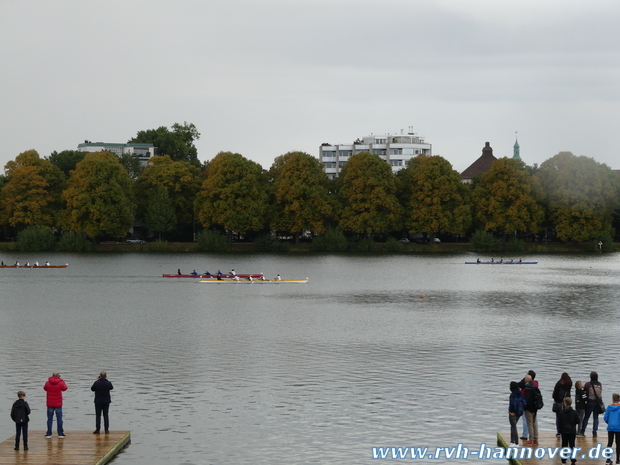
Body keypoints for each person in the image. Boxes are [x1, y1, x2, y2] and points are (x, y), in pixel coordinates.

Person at [44, 372, 68, 438]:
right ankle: (60, 433)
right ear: (58, 376)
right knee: (59, 418)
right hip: (58, 403)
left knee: (49, 419)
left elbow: (45, 388)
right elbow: (65, 388)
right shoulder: (60, 382)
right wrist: (62, 380)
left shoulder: (47, 383)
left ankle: (49, 434)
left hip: (50, 403)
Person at [558, 397, 579, 465]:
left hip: (564, 431)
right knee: (572, 445)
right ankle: (573, 460)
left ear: (565, 404)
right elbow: (578, 421)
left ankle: (563, 460)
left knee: (564, 445)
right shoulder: (574, 412)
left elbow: (559, 422)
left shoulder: (561, 412)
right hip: (572, 431)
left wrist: (559, 430)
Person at [581, 371, 602, 437]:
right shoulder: (599, 384)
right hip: (597, 403)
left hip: (590, 402)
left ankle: (582, 431)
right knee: (595, 418)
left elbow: (584, 393)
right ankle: (594, 432)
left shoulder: (588, 384)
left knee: (586, 417)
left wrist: (584, 400)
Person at [553, 372, 573, 437]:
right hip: (567, 402)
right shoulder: (569, 384)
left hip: (559, 402)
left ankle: (559, 432)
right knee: (567, 418)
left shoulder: (558, 384)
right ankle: (566, 430)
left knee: (558, 418)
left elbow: (554, 394)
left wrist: (557, 399)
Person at [522, 374, 539, 445]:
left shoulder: (527, 388)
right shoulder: (535, 387)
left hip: (529, 408)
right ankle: (535, 439)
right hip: (535, 408)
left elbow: (526, 399)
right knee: (534, 423)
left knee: (530, 424)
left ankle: (531, 440)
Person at [604, 393, 620, 464]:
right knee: (618, 443)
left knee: (609, 442)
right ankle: (618, 459)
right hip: (618, 427)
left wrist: (609, 422)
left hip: (610, 427)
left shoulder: (609, 407)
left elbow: (605, 417)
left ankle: (608, 458)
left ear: (612, 399)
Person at [508, 381, 525, 446]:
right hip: (519, 413)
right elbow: (524, 402)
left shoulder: (512, 395)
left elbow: (512, 404)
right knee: (513, 427)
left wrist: (511, 412)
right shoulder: (520, 393)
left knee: (513, 427)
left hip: (513, 413)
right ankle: (512, 441)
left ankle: (515, 442)